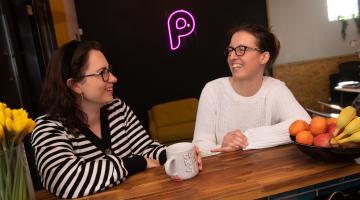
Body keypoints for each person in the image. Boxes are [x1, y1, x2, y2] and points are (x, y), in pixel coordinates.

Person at [31, 40, 202, 199]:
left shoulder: (118, 109)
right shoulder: (48, 128)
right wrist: (135, 163)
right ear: (75, 85)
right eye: (102, 73)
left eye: (109, 70)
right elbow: (65, 181)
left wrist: (175, 157)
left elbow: (146, 148)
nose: (113, 78)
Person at [192, 24, 311, 157]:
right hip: (225, 173)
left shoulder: (275, 89)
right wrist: (224, 146)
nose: (232, 57)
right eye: (230, 50)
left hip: (264, 172)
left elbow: (304, 123)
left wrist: (246, 139)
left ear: (264, 57)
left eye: (241, 49)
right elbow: (200, 146)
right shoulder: (213, 90)